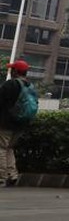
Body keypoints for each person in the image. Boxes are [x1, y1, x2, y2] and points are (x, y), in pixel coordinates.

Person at [1, 59, 33, 187]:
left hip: (5, 123)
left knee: (1, 149)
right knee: (9, 148)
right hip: (21, 124)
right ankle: (12, 175)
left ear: (15, 71)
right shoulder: (29, 85)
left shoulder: (10, 85)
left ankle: (2, 177)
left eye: (11, 69)